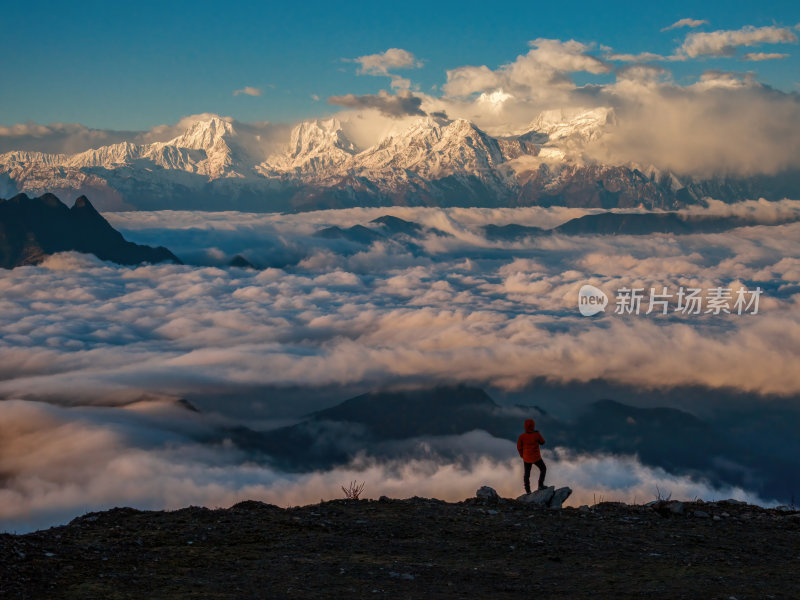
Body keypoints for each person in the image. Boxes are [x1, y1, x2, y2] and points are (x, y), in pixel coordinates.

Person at [517, 418, 546, 494]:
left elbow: (519, 447)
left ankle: (528, 490)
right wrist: (538, 435)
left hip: (526, 458)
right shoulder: (536, 435)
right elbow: (543, 442)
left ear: (525, 426)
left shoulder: (522, 436)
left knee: (527, 474)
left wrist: (522, 456)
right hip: (536, 457)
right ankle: (540, 485)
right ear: (533, 426)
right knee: (543, 469)